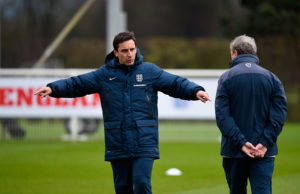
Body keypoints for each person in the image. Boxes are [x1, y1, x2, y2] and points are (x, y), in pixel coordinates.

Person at [35, 31, 211, 194]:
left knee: (141, 183)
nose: (129, 54)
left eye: (132, 49)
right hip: (117, 140)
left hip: (144, 139)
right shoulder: (104, 75)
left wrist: (195, 91)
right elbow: (77, 84)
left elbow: (175, 84)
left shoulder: (149, 71)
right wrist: (53, 88)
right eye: (125, 50)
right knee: (122, 188)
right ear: (116, 52)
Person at [215, 35, 287, 194]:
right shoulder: (272, 78)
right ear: (254, 52)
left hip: (234, 150)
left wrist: (241, 142)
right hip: (264, 151)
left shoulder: (226, 78)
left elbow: (222, 116)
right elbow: (279, 114)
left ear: (234, 53)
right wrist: (265, 142)